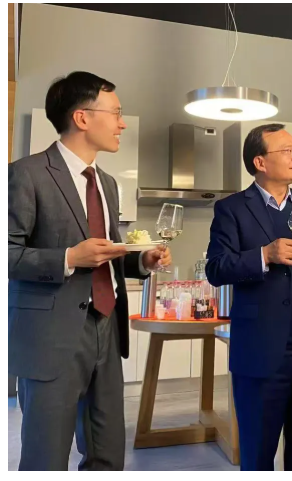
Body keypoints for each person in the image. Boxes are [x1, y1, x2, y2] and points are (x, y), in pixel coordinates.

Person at [8, 71, 172, 471]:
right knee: (45, 458)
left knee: (107, 453)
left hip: (107, 328)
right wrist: (68, 258)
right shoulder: (26, 173)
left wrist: (140, 262)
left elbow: (107, 253)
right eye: (116, 113)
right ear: (82, 117)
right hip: (51, 338)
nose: (122, 124)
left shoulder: (108, 183)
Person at [206, 123, 292, 471]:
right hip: (260, 350)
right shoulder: (232, 209)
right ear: (260, 162)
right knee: (258, 454)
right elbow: (216, 268)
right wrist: (263, 256)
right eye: (287, 151)